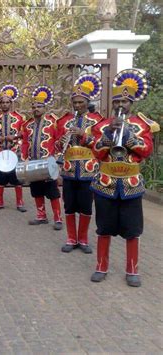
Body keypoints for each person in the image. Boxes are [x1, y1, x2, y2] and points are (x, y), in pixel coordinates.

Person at [90, 69, 159, 287]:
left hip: (130, 184)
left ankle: (132, 269)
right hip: (106, 183)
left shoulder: (142, 124)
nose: (120, 105)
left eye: (125, 102)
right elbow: (97, 152)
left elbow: (146, 150)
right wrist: (109, 135)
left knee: (132, 228)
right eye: (117, 101)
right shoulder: (102, 126)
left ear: (131, 104)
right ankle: (101, 266)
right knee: (103, 227)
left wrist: (128, 135)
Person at [56, 74, 103, 254]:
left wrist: (83, 134)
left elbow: (101, 144)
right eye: (75, 103)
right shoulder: (66, 121)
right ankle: (71, 238)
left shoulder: (97, 121)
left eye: (80, 102)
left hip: (88, 171)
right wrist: (61, 141)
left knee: (85, 205)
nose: (77, 106)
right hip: (68, 170)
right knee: (68, 204)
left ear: (87, 102)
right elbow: (58, 145)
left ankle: (82, 239)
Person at [21, 86, 63, 230]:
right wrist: (24, 158)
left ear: (45, 107)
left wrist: (57, 158)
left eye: (39, 106)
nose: (36, 109)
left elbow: (59, 141)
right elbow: (25, 143)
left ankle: (58, 218)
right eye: (34, 106)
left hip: (48, 163)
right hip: (33, 164)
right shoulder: (28, 125)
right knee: (36, 190)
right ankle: (41, 216)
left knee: (52, 192)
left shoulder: (53, 122)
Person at [0, 85, 26, 212]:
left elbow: (24, 133)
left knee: (17, 177)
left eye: (7, 102)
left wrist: (13, 136)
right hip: (0, 152)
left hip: (14, 151)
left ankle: (20, 202)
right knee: (0, 177)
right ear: (0, 104)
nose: (5, 104)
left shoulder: (19, 118)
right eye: (2, 102)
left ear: (11, 103)